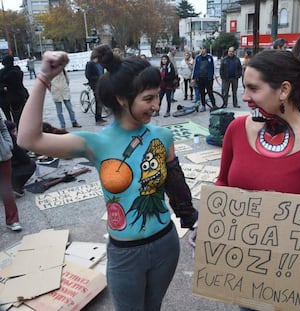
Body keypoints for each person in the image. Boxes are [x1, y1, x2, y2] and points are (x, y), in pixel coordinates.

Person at [17, 46, 198, 310]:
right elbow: (27, 139)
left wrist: (192, 221)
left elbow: (176, 186)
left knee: (154, 306)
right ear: (122, 99)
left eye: (157, 96)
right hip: (125, 253)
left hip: (165, 245)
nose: (156, 106)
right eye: (149, 98)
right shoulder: (96, 143)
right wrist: (44, 78)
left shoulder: (163, 137)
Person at [215, 50, 300, 311]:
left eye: (253, 88)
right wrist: (212, 222)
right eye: (245, 88)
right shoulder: (236, 130)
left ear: (284, 90)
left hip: (297, 288)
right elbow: (223, 182)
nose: (244, 97)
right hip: (247, 277)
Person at [0, 110, 22, 231]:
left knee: (6, 189)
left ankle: (13, 220)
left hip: (3, 156)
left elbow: (3, 127)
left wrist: (8, 144)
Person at [5, 120, 36, 197]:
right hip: (6, 171)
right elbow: (25, 159)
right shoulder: (10, 141)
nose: (16, 133)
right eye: (14, 131)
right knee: (31, 165)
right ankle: (15, 187)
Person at [0, 55, 29, 127]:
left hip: (7, 99)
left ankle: (14, 132)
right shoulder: (18, 71)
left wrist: (3, 87)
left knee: (10, 118)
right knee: (19, 118)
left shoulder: (3, 73)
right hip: (19, 97)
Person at [191, 44, 217, 112]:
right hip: (200, 78)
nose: (202, 50)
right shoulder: (198, 58)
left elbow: (213, 68)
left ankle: (214, 105)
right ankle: (203, 106)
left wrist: (212, 76)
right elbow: (195, 68)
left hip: (208, 79)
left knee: (210, 92)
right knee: (201, 93)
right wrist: (194, 78)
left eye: (203, 49)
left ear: (206, 49)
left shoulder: (210, 57)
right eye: (201, 49)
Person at [85, 50, 106, 124]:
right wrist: (97, 78)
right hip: (95, 84)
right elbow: (88, 75)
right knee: (98, 100)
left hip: (101, 83)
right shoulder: (90, 64)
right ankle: (97, 118)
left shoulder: (100, 64)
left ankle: (99, 116)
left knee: (100, 100)